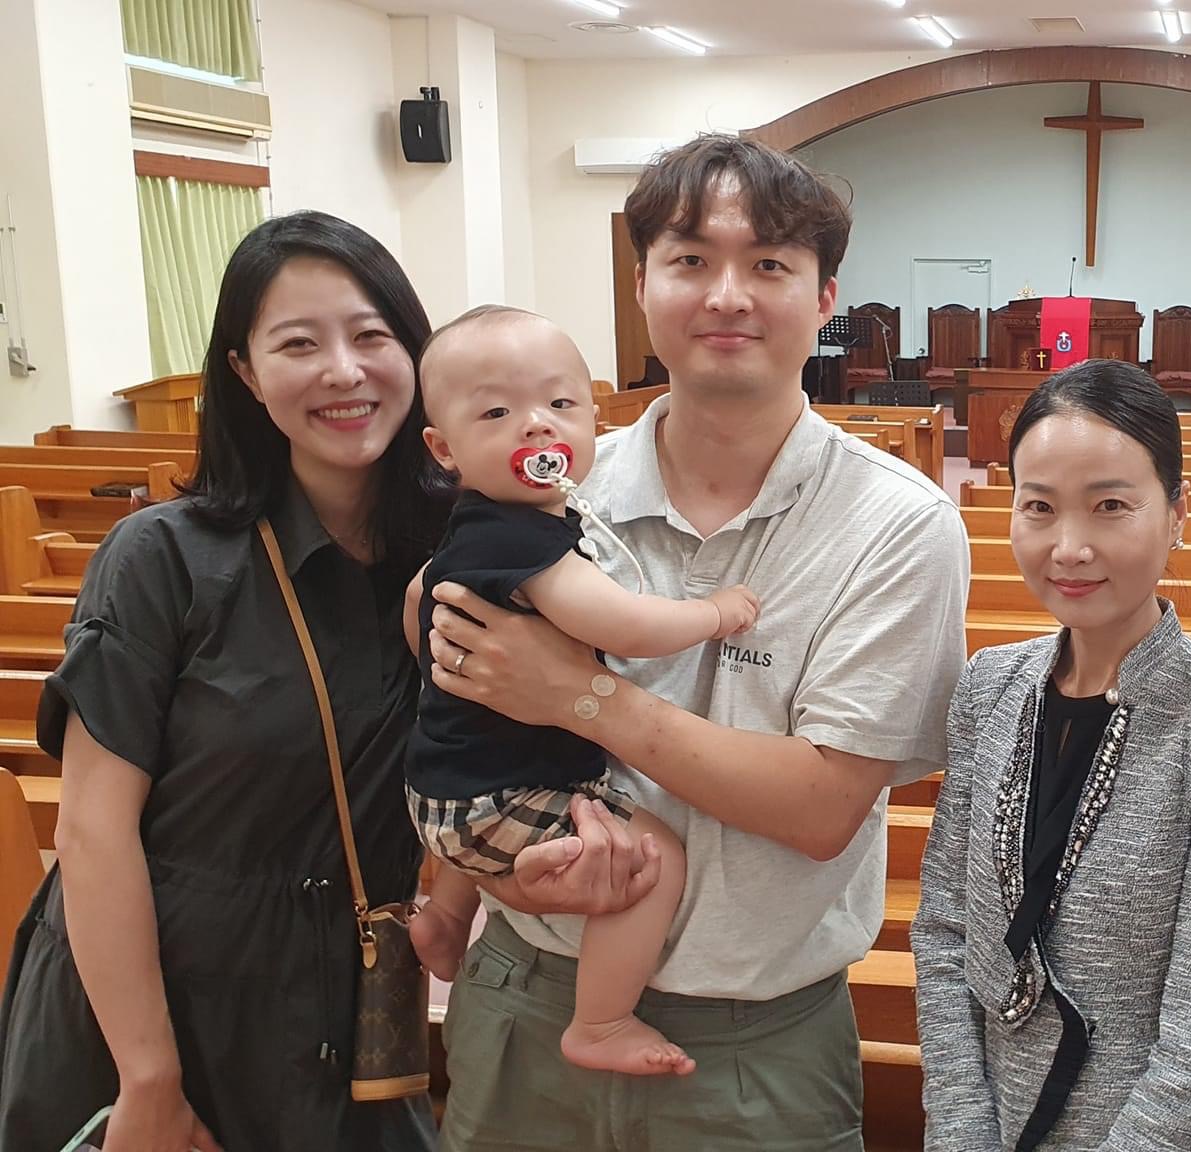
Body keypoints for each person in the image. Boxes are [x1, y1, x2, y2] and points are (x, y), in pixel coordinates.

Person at [425, 134, 970, 1149]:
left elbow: (819, 809)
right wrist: (489, 876)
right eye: (689, 260)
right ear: (642, 287)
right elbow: (452, 701)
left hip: (755, 1044)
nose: (727, 295)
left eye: (768, 264)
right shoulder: (540, 486)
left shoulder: (897, 525)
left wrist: (577, 695)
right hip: (526, 997)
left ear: (823, 297)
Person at [0, 211, 453, 1152]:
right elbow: (91, 830)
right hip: (158, 1005)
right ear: (245, 372)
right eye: (299, 344)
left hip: (358, 1007)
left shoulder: (462, 555)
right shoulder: (162, 558)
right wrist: (148, 1077)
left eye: (371, 335)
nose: (343, 371)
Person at [912, 361, 1191, 1151]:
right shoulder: (990, 686)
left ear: (1177, 513)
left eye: (1110, 506)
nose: (1070, 547)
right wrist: (961, 1135)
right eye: (1039, 507)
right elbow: (946, 932)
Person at [402, 305, 760, 1077]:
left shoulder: (499, 520)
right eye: (496, 414)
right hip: (491, 795)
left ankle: (446, 918)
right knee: (656, 859)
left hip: (451, 783)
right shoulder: (517, 536)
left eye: (559, 403)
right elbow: (620, 623)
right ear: (444, 448)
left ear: (594, 417)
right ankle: (600, 1021)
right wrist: (714, 613)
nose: (536, 425)